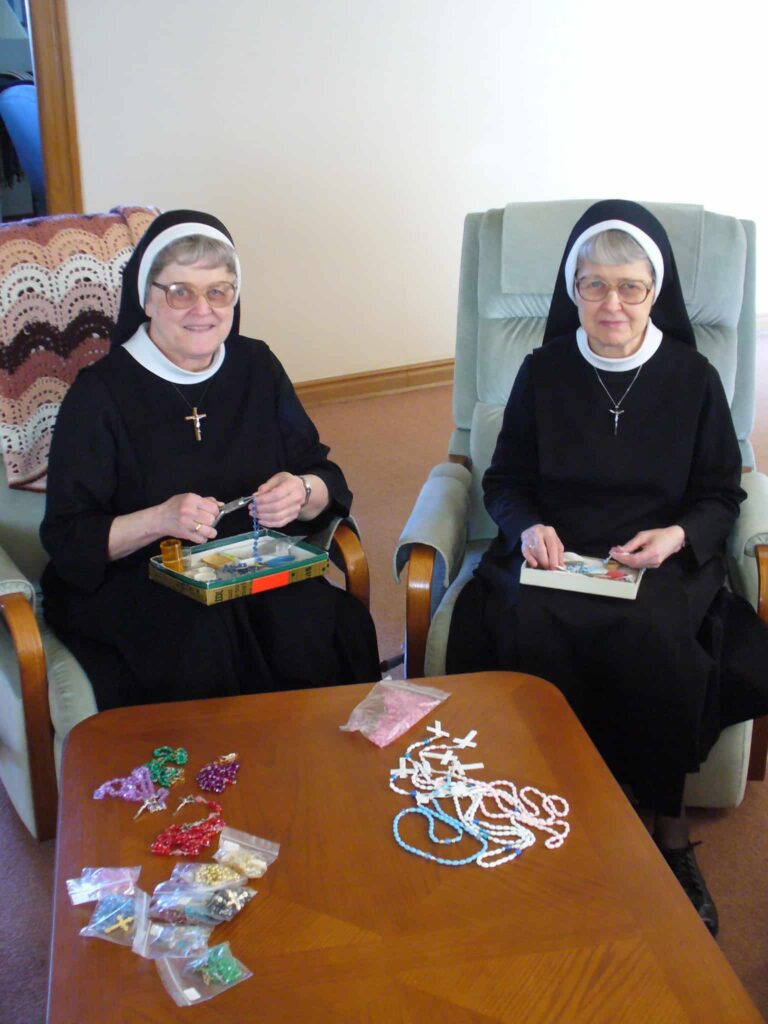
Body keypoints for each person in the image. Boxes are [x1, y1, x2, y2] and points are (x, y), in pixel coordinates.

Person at [447, 199, 768, 934]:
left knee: (657, 632)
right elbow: (505, 483)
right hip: (557, 553)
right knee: (528, 619)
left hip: (656, 558)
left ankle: (667, 829)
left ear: (656, 292)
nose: (612, 303)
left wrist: (678, 536)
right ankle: (545, 812)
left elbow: (722, 491)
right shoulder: (543, 371)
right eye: (594, 285)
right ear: (573, 291)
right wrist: (527, 528)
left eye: (631, 286)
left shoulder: (692, 378)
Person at [41, 210, 380, 711]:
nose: (203, 308)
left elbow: (323, 473)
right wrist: (160, 519)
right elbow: (68, 536)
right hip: (141, 577)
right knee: (205, 640)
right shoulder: (101, 394)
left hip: (250, 562)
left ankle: (314, 773)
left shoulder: (256, 365)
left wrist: (303, 491)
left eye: (219, 290)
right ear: (147, 298)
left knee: (318, 621)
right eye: (180, 291)